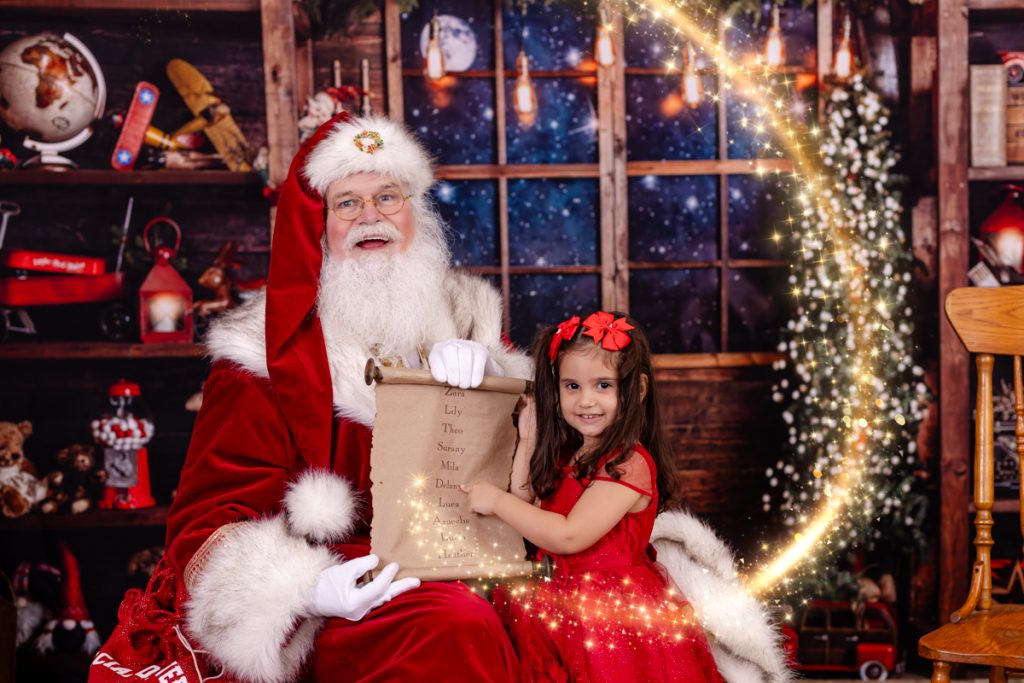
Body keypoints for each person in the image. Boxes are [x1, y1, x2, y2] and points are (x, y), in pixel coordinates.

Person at [89, 112, 531, 683]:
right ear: (317, 226)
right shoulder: (258, 357)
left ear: (414, 214)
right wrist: (303, 589)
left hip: (467, 554)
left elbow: (539, 467)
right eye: (347, 203)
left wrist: (497, 387)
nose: (371, 217)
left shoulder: (471, 322)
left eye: (388, 197)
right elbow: (205, 524)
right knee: (452, 624)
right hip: (348, 586)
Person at [461, 310, 725, 682]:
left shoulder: (629, 463)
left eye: (603, 385)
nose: (586, 400)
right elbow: (526, 508)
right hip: (561, 610)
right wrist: (528, 440)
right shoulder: (573, 456)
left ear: (638, 390)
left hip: (611, 620)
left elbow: (569, 535)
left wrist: (495, 501)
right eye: (572, 386)